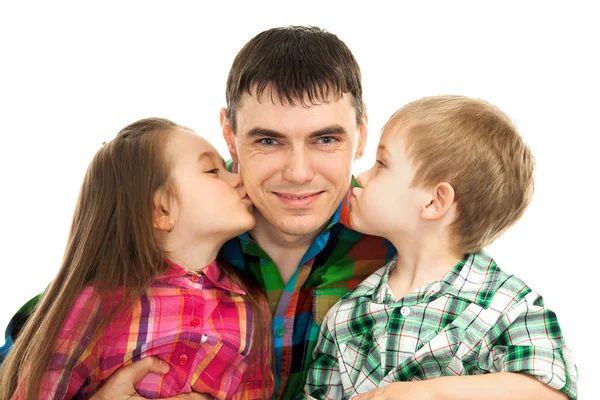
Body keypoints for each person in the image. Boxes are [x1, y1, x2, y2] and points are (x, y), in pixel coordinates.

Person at [0, 27, 576, 400]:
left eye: (325, 139)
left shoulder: (404, 255)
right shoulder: (182, 234)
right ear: (228, 131)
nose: (298, 173)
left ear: (361, 132)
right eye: (269, 141)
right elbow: (41, 337)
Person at [302, 96, 578, 399]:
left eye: (381, 164)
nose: (361, 177)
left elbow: (551, 391)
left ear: (434, 202)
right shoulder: (345, 316)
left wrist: (425, 394)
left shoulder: (507, 305)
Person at [0, 118, 273, 399]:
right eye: (212, 170)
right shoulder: (97, 303)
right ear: (162, 212)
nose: (237, 177)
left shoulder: (251, 305)